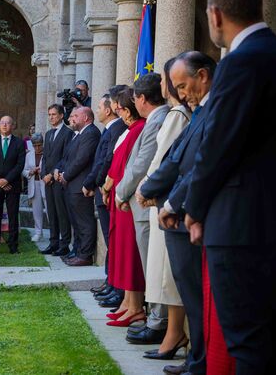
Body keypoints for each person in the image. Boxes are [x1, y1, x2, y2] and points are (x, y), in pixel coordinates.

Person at [181, 0, 276, 374]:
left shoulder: (240, 61)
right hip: (275, 215)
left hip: (240, 221)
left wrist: (194, 207)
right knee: (267, 335)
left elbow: (218, 144)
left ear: (216, 15)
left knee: (247, 340)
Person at [139, 51, 215, 374]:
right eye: (177, 88)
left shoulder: (211, 111)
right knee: (189, 292)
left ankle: (199, 361)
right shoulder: (198, 113)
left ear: (203, 76)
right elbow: (175, 157)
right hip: (176, 213)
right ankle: (196, 357)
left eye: (183, 86)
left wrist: (170, 203)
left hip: (187, 215)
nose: (181, 94)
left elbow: (200, 165)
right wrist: (150, 189)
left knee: (195, 295)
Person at [131, 60, 191, 353]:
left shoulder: (177, 115)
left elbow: (164, 159)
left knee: (167, 274)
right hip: (159, 198)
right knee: (160, 271)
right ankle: (168, 329)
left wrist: (146, 188)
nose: (166, 87)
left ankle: (170, 330)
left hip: (166, 199)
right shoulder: (175, 114)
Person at [113, 74, 170, 338]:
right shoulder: (154, 120)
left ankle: (158, 321)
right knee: (151, 265)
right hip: (141, 203)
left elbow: (141, 164)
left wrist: (121, 193)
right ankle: (155, 317)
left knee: (153, 266)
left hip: (146, 204)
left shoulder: (158, 120)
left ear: (142, 99)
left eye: (134, 98)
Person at [102, 89, 146, 327]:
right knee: (122, 250)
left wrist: (110, 186)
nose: (116, 112)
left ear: (127, 110)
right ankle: (128, 303)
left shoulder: (138, 129)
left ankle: (135, 306)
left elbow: (125, 165)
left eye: (117, 108)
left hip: (126, 198)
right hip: (119, 197)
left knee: (130, 253)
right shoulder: (130, 130)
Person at [83, 93, 125, 296]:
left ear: (108, 110)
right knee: (111, 240)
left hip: (105, 189)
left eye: (99, 107)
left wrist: (93, 182)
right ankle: (110, 281)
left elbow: (106, 160)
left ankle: (115, 284)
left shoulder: (116, 129)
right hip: (102, 190)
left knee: (112, 239)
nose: (97, 111)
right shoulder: (109, 130)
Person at [56, 107, 100, 266]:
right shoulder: (79, 134)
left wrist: (66, 175)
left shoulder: (91, 133)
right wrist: (60, 170)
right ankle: (78, 251)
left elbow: (82, 159)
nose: (71, 118)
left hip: (80, 185)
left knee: (84, 222)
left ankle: (85, 255)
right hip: (72, 185)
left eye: (75, 115)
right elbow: (68, 157)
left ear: (86, 118)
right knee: (76, 223)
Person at [0, 115, 26, 254]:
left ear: (12, 126)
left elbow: (20, 164)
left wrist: (7, 180)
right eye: (2, 122)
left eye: (7, 123)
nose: (4, 125)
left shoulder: (19, 143)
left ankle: (13, 246)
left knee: (12, 215)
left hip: (12, 184)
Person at [39, 104, 74, 257]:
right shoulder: (48, 134)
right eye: (49, 114)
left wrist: (52, 174)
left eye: (54, 114)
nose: (51, 117)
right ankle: (53, 243)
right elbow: (45, 157)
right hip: (48, 180)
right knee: (51, 212)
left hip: (59, 179)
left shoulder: (68, 133)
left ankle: (64, 244)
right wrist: (43, 175)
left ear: (61, 115)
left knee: (61, 213)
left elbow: (66, 157)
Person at [22, 133, 46, 242]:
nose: (37, 148)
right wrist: (30, 172)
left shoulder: (47, 154)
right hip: (34, 184)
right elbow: (24, 170)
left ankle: (55, 232)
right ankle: (38, 232)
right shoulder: (29, 155)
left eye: (39, 145)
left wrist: (42, 171)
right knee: (36, 210)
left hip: (45, 184)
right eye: (35, 145)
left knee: (50, 209)